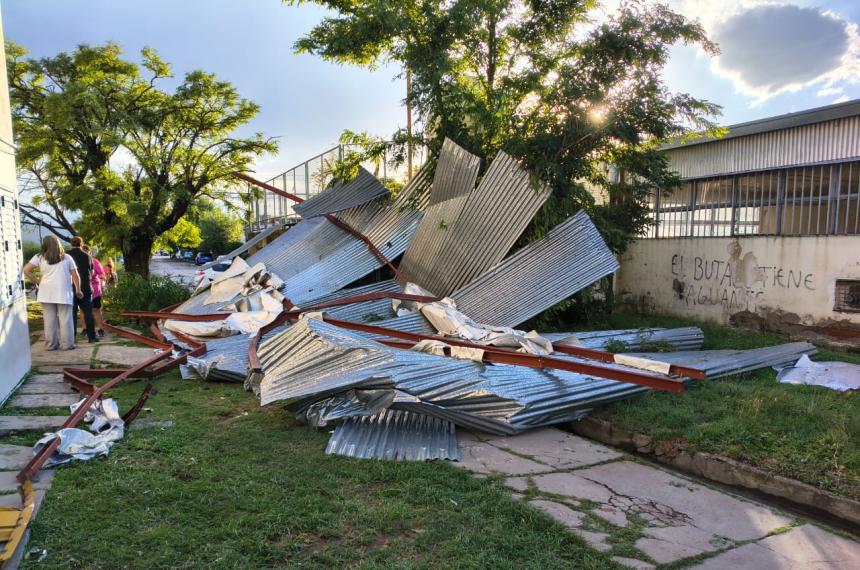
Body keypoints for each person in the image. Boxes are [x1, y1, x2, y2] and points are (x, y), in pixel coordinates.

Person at [22, 236, 84, 350]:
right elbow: (75, 275)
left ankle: (51, 345)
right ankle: (67, 345)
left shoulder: (39, 257)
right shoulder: (66, 258)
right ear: (58, 244)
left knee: (49, 320)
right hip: (63, 292)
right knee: (66, 319)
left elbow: (26, 270)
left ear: (44, 245)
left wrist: (37, 281)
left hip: (46, 292)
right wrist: (78, 290)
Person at [67, 236, 98, 343]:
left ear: (71, 244)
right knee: (88, 312)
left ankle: (72, 338)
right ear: (81, 244)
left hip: (70, 287)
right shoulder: (87, 256)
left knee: (72, 313)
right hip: (86, 286)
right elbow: (92, 272)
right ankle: (92, 337)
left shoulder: (66, 255)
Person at [82, 245, 107, 337]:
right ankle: (85, 329)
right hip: (83, 289)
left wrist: (102, 283)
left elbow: (102, 275)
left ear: (90, 253)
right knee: (83, 310)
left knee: (96, 309)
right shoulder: (77, 262)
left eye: (86, 251)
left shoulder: (95, 262)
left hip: (95, 289)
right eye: (83, 251)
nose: (85, 253)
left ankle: (101, 329)